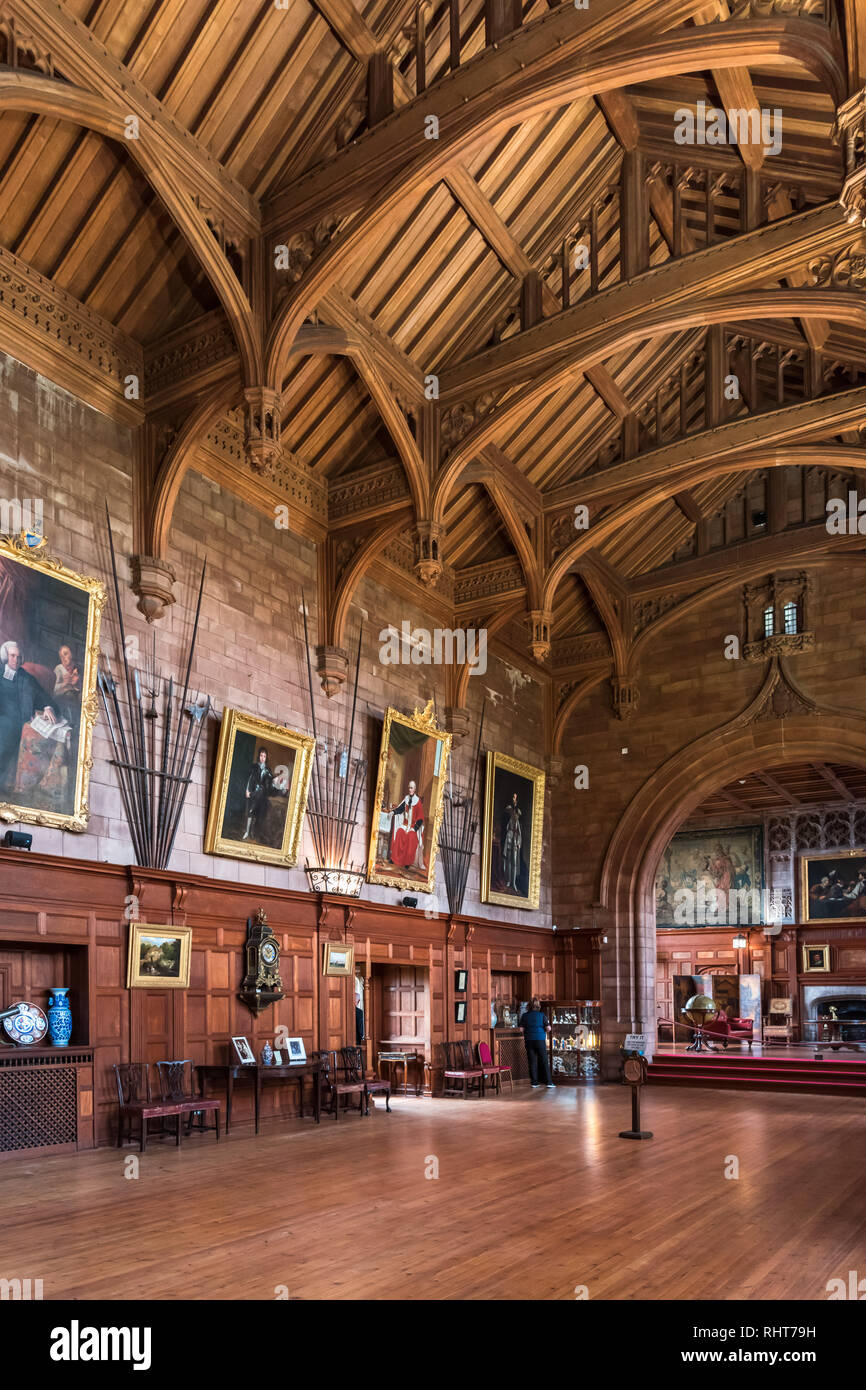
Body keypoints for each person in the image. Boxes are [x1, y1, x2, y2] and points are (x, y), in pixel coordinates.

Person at [0, 640, 56, 792]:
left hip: (21, 721)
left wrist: (47, 707)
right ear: (6, 656)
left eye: (18, 657)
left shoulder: (27, 677)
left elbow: (42, 695)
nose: (16, 660)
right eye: (12, 656)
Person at [520, 996, 554, 1089]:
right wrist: (542, 1031)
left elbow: (521, 1029)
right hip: (539, 1039)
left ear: (529, 1005)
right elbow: (548, 1028)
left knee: (532, 1061)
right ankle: (549, 1082)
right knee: (544, 1060)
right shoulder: (542, 1015)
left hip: (529, 1040)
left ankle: (534, 1082)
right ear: (538, 1005)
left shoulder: (524, 1016)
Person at [389, 779, 425, 869]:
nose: (410, 789)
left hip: (413, 827)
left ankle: (407, 862)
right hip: (405, 825)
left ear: (415, 789)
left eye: (411, 788)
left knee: (411, 836)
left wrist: (415, 828)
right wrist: (393, 812)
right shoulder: (406, 799)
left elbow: (420, 818)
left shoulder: (418, 802)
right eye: (409, 787)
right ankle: (394, 859)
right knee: (399, 832)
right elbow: (400, 809)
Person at [242, 747, 274, 840]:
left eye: (264, 756)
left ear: (266, 757)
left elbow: (270, 782)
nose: (262, 758)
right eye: (261, 755)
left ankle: (252, 832)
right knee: (251, 811)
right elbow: (250, 779)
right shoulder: (254, 766)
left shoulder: (267, 769)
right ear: (258, 756)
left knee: (257, 813)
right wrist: (247, 790)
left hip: (262, 794)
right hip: (253, 792)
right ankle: (247, 832)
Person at [501, 792, 523, 892]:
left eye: (516, 814)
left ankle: (513, 883)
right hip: (509, 841)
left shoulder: (517, 823)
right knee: (509, 861)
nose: (515, 815)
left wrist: (518, 843)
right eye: (513, 814)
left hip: (515, 843)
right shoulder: (509, 820)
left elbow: (519, 834)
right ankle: (509, 880)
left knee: (514, 863)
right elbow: (507, 830)